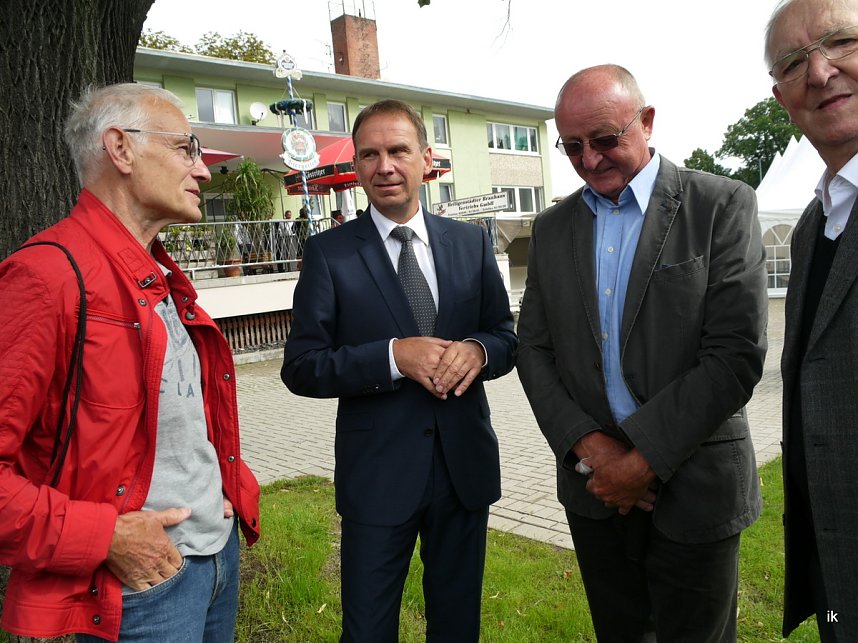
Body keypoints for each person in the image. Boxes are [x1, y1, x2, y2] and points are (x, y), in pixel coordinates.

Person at [0, 83, 260, 642]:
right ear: (121, 149)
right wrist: (105, 539)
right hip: (136, 590)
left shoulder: (161, 280)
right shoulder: (47, 278)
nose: (204, 171)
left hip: (214, 558)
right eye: (186, 148)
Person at [516, 65, 768, 642]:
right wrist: (592, 448)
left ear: (647, 121)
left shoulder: (720, 205)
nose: (590, 159)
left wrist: (641, 461)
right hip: (594, 488)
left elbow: (735, 354)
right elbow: (533, 347)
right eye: (572, 146)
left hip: (696, 486)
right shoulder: (552, 228)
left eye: (605, 139)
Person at [281, 98, 516, 642]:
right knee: (367, 630)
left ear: (426, 158)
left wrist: (479, 352)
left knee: (457, 626)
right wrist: (392, 357)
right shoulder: (329, 254)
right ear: (359, 167)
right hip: (378, 475)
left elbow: (506, 338)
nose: (384, 165)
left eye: (398, 150)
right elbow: (302, 366)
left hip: (463, 470)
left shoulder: (470, 243)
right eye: (370, 154)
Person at [767, 1, 858, 640]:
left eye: (841, 42)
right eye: (795, 62)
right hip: (837, 564)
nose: (821, 72)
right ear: (781, 98)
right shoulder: (810, 227)